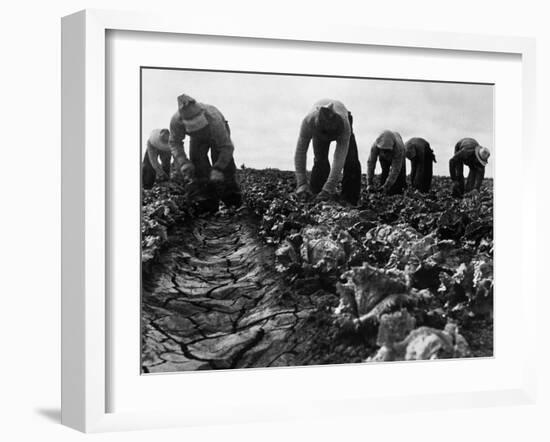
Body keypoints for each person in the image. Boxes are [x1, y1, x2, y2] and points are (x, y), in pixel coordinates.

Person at [168, 93, 242, 211]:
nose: (198, 129)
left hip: (215, 134)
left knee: (224, 165)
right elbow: (174, 143)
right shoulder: (176, 122)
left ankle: (232, 200)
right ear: (183, 122)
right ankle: (206, 202)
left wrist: (218, 168)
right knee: (197, 164)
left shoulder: (214, 118)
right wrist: (183, 162)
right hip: (196, 139)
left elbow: (227, 147)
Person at [294, 99, 362, 205]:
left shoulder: (344, 125)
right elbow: (300, 152)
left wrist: (329, 188)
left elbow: (339, 158)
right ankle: (316, 194)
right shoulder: (308, 122)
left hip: (342, 119)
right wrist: (301, 183)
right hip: (318, 126)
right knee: (320, 161)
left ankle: (349, 199)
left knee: (351, 160)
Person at [366, 130, 407, 195]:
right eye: (384, 150)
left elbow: (395, 169)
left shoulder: (399, 148)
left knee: (400, 174)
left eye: (387, 151)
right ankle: (383, 190)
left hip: (397, 154)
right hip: (383, 157)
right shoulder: (375, 146)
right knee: (385, 171)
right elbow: (371, 163)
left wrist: (387, 185)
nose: (386, 153)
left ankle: (399, 190)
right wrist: (369, 183)